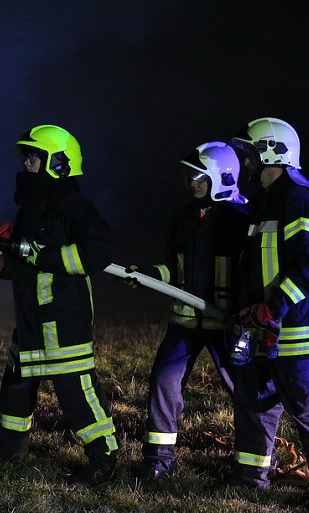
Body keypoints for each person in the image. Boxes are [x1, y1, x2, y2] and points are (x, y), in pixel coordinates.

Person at [0, 124, 120, 488]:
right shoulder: (31, 209)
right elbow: (26, 263)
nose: (26, 163)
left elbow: (98, 251)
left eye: (34, 157)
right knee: (16, 384)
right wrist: (2, 266)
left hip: (62, 316)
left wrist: (46, 257)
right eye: (27, 156)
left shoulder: (74, 204)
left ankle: (104, 459)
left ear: (58, 163)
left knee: (75, 391)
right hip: (30, 318)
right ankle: (9, 448)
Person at [227, 117, 309, 511]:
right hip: (261, 328)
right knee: (255, 405)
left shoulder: (298, 200)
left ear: (271, 153)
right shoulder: (263, 204)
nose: (244, 164)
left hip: (293, 331)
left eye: (248, 156)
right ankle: (250, 479)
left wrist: (271, 307)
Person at [126, 141, 249, 480]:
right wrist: (151, 275)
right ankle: (157, 462)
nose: (192, 181)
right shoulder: (183, 218)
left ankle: (254, 463)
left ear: (222, 177)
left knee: (246, 390)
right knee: (164, 380)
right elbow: (172, 268)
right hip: (185, 320)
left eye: (199, 175)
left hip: (227, 323)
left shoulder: (242, 219)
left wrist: (246, 314)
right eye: (189, 174)